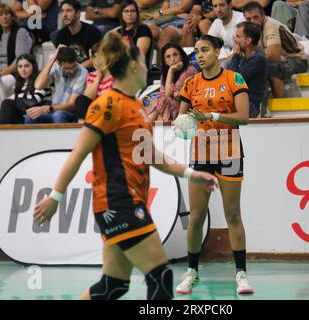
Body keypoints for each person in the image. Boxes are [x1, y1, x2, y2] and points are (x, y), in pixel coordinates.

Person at [33, 31, 219, 300]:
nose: (148, 69)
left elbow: (153, 156)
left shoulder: (137, 107)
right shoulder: (107, 105)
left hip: (129, 202)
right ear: (133, 66)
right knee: (161, 277)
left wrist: (192, 174)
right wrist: (55, 196)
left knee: (113, 286)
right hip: (118, 203)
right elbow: (77, 154)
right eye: (144, 64)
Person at [175, 35, 254, 295]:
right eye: (197, 51)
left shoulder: (234, 79)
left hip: (229, 151)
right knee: (196, 217)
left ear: (218, 52)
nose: (200, 55)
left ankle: (241, 275)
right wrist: (182, 127)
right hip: (200, 154)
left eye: (205, 50)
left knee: (233, 215)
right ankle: (192, 273)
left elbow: (243, 117)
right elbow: (181, 119)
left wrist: (213, 115)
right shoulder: (190, 83)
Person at [242, 1, 308, 98]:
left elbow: (273, 56)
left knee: (271, 67)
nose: (252, 21)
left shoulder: (271, 25)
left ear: (263, 15)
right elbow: (242, 52)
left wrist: (252, 54)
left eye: (255, 17)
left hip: (296, 60)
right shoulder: (247, 29)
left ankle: (279, 105)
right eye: (248, 19)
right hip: (280, 59)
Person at [25, 46, 88, 123]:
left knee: (58, 115)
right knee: (30, 117)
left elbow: (72, 104)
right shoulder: (55, 67)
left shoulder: (82, 72)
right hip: (53, 109)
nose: (71, 71)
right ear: (59, 63)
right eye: (67, 68)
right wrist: (51, 60)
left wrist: (50, 108)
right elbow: (38, 86)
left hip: (69, 112)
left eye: (73, 67)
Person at [0, 54, 48, 124]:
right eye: (20, 67)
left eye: (26, 66)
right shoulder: (19, 83)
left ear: (33, 67)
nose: (23, 70)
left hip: (32, 115)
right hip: (20, 114)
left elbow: (33, 100)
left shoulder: (41, 80)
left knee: (7, 103)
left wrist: (13, 98)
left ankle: (1, 132)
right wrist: (14, 98)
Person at [147, 42, 197, 121]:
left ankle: (146, 126)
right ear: (165, 61)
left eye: (175, 54)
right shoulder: (165, 73)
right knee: (161, 103)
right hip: (170, 106)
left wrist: (171, 70)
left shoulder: (189, 71)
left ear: (181, 56)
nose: (172, 59)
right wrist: (170, 71)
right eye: (168, 57)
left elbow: (172, 94)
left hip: (186, 107)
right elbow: (163, 93)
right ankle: (150, 126)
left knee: (163, 102)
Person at [228, 21, 268, 118]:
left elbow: (235, 81)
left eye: (238, 36)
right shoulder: (243, 58)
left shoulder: (258, 60)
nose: (234, 40)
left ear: (248, 41)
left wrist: (235, 55)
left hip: (250, 106)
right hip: (237, 102)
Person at [0, 3, 33, 77]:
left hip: (14, 74)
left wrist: (1, 74)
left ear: (12, 16)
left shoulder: (21, 32)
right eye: (1, 14)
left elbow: (20, 60)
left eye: (7, 14)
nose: (4, 17)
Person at [54, 0, 103, 69]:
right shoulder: (61, 34)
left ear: (78, 13)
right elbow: (61, 59)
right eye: (62, 11)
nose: (64, 15)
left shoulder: (92, 31)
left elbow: (96, 58)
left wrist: (77, 69)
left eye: (68, 11)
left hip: (89, 71)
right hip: (69, 71)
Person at [75, 43, 114, 122]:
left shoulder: (116, 75)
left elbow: (109, 97)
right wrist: (98, 76)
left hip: (110, 108)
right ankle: (82, 127)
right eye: (95, 56)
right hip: (95, 109)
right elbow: (87, 98)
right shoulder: (92, 75)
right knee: (80, 100)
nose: (98, 59)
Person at [117, 0, 153, 70]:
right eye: (126, 11)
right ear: (121, 14)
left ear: (137, 13)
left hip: (138, 71)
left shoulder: (143, 29)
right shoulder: (118, 32)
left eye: (132, 11)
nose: (130, 14)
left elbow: (139, 55)